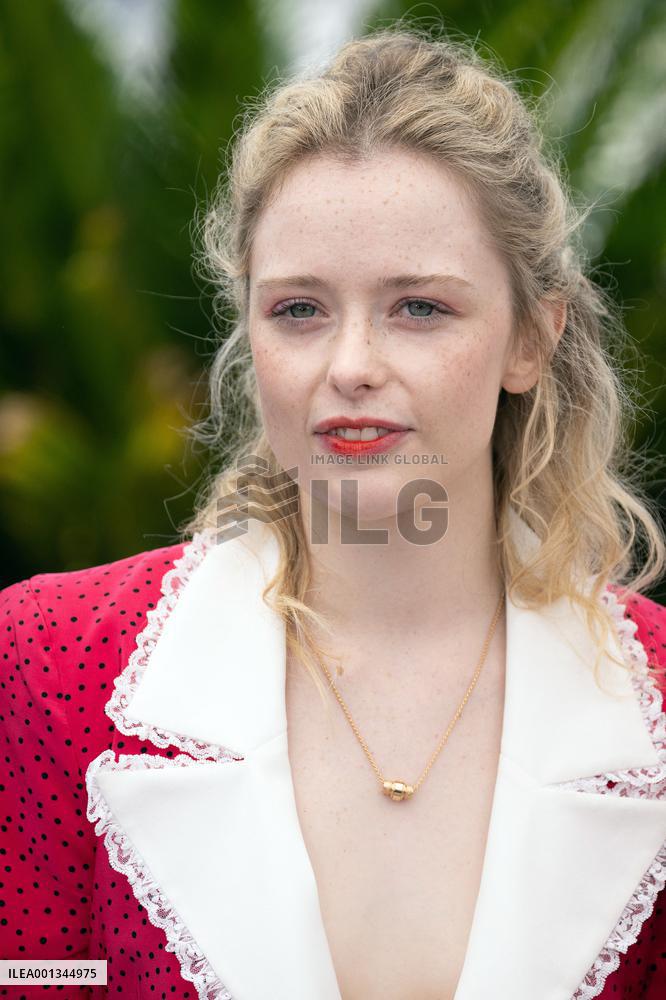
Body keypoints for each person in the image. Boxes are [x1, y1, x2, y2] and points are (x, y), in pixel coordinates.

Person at [1, 22, 666, 1000]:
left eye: (419, 307)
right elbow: (32, 975)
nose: (350, 366)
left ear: (533, 336)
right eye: (300, 309)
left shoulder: (657, 702)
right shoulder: (45, 663)